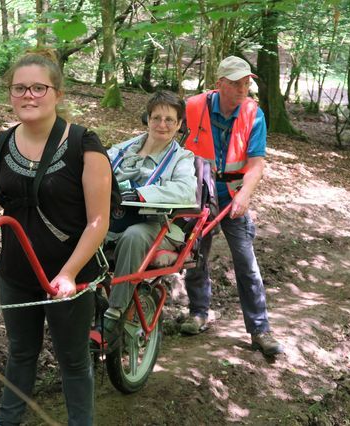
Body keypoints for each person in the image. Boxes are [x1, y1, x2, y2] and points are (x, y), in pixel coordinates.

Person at [0, 50, 112, 425]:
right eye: (19, 88)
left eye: (38, 88)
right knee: (20, 353)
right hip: (16, 272)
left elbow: (98, 222)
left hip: (68, 278)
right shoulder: (2, 143)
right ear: (10, 94)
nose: (28, 96)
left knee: (73, 360)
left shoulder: (84, 145)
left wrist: (70, 274)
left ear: (58, 94)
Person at [181, 55, 284, 356]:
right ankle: (198, 312)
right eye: (236, 83)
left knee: (246, 261)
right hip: (198, 192)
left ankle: (260, 329)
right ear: (220, 84)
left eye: (246, 83)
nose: (243, 89)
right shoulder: (193, 107)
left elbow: (256, 163)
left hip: (233, 194)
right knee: (195, 253)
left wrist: (244, 195)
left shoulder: (254, 114)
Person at [102, 90, 197, 346]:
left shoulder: (182, 158)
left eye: (169, 120)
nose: (162, 125)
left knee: (134, 235)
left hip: (156, 227)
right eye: (156, 118)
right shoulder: (124, 149)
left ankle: (115, 311)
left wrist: (141, 193)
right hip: (113, 218)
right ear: (147, 118)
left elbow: (186, 191)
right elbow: (95, 169)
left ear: (179, 125)